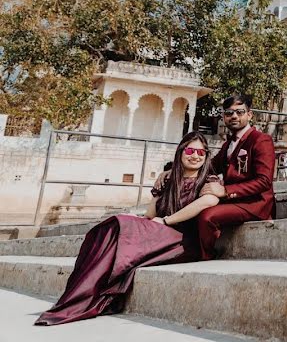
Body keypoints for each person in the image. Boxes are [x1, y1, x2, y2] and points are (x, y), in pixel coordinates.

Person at [35, 132, 220, 326]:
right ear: (181, 152)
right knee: (112, 226)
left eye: (201, 152)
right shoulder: (168, 179)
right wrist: (158, 193)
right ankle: (80, 296)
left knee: (120, 229)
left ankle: (84, 297)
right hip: (159, 231)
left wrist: (166, 221)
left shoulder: (209, 180)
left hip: (183, 240)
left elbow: (209, 200)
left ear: (206, 156)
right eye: (190, 150)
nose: (195, 155)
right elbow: (150, 214)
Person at [195, 93, 275, 260]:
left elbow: (264, 181)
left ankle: (205, 259)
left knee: (207, 216)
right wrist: (171, 171)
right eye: (229, 113)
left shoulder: (261, 140)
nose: (234, 116)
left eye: (239, 112)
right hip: (235, 201)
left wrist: (225, 191)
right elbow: (209, 167)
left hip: (255, 203)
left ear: (249, 114)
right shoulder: (228, 144)